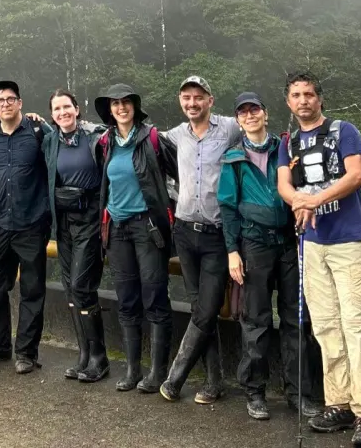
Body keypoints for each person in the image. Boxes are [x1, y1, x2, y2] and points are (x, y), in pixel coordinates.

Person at [277, 71, 361, 448]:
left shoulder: (344, 131)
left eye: (309, 94)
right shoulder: (288, 142)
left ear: (319, 99)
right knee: (325, 327)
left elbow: (355, 176)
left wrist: (312, 201)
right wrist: (297, 201)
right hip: (311, 243)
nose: (303, 100)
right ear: (288, 102)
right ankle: (338, 402)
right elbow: (283, 185)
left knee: (359, 326)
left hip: (348, 240)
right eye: (296, 95)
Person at [218, 91, 319, 420]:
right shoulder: (233, 159)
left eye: (255, 109)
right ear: (238, 119)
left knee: (295, 320)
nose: (250, 115)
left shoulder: (286, 149)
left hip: (289, 242)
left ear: (265, 112)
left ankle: (298, 393)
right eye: (243, 112)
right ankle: (255, 390)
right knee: (256, 319)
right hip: (254, 243)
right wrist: (232, 251)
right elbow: (228, 209)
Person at [159, 75, 241, 404]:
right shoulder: (176, 135)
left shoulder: (230, 128)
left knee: (206, 310)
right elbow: (133, 135)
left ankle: (175, 377)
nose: (192, 103)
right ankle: (214, 381)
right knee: (199, 308)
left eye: (198, 97)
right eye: (186, 98)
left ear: (210, 99)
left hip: (217, 235)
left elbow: (256, 126)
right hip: (184, 231)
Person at [96, 83, 177, 393]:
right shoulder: (105, 142)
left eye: (125, 102)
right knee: (127, 298)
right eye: (115, 103)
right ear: (110, 110)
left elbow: (178, 174)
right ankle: (132, 369)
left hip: (148, 227)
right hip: (117, 228)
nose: (121, 108)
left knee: (155, 296)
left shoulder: (153, 138)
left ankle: (157, 372)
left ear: (135, 106)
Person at [0, 80, 52, 374]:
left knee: (32, 290)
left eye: (10, 99)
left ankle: (27, 353)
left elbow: (61, 153)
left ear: (20, 103)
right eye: (0, 101)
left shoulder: (37, 132)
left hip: (31, 223)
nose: (6, 104)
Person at [42, 89, 109, 382]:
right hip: (64, 221)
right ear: (52, 115)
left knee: (82, 286)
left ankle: (100, 357)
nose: (62, 113)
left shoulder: (95, 137)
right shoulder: (49, 141)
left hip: (90, 219)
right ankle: (84, 355)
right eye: (56, 109)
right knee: (70, 287)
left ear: (77, 109)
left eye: (66, 107)